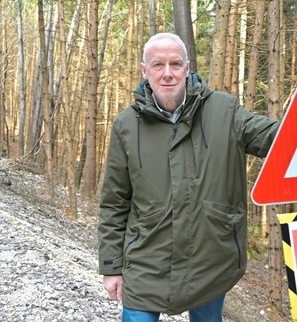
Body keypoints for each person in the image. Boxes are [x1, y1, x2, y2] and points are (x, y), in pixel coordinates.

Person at [98, 32, 279, 321]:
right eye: (158, 65)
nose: (167, 73)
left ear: (188, 68)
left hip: (210, 258)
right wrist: (111, 266)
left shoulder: (224, 110)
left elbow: (275, 138)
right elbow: (114, 202)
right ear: (145, 71)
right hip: (146, 260)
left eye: (175, 64)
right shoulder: (126, 125)